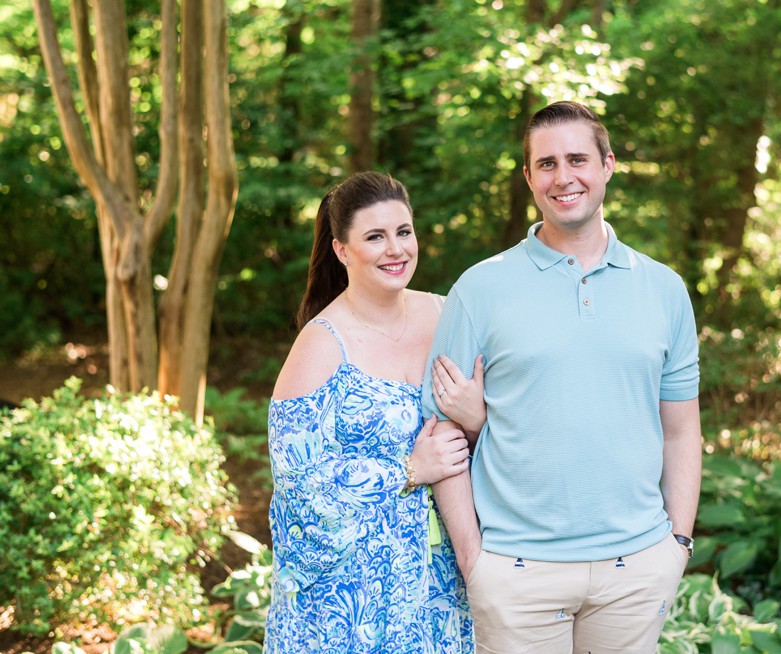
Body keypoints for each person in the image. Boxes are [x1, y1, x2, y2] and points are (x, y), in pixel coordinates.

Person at [423, 101, 703, 653]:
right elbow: (439, 432)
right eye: (546, 163)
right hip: (516, 570)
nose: (563, 176)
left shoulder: (665, 288)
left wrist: (677, 544)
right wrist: (473, 560)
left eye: (577, 158)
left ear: (608, 165)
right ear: (528, 177)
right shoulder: (479, 289)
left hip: (637, 569)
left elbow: (681, 430)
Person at [265, 171, 485, 653]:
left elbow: (505, 432)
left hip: (443, 587)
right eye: (375, 237)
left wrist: (476, 419)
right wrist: (408, 469)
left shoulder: (449, 315)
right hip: (351, 605)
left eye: (404, 232)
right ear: (342, 249)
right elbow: (299, 485)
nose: (396, 249)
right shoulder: (322, 345)